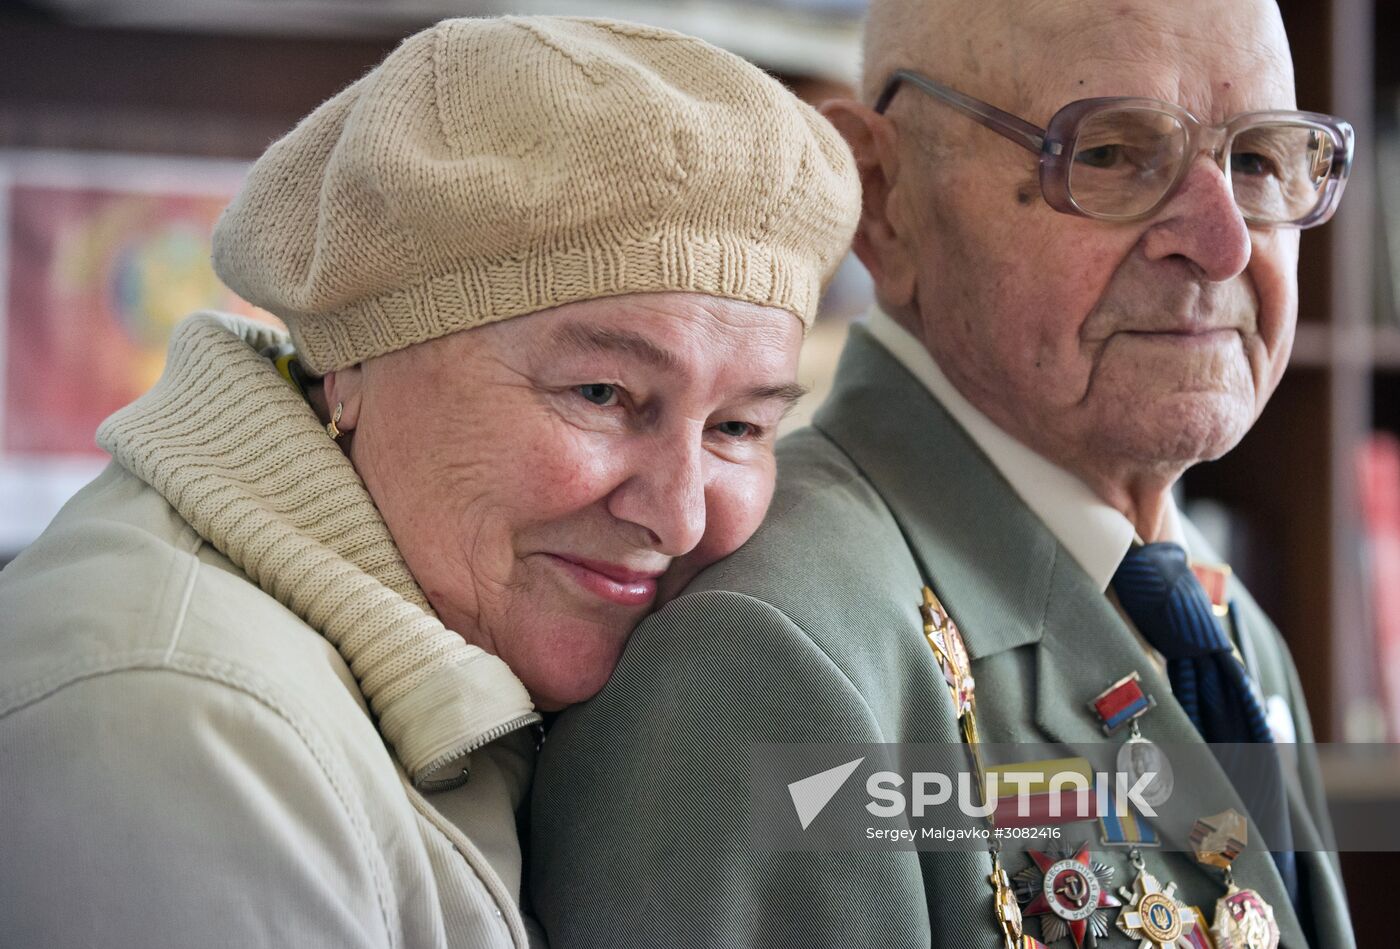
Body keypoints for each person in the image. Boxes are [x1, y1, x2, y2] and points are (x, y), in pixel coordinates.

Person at [0, 16, 859, 948]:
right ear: (356, 361)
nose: (680, 514)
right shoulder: (179, 727)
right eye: (603, 393)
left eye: (738, 427)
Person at [529, 0, 1357, 946]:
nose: (1224, 243)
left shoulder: (1199, 598)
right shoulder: (769, 664)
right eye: (1110, 154)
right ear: (881, 196)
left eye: (1256, 160)